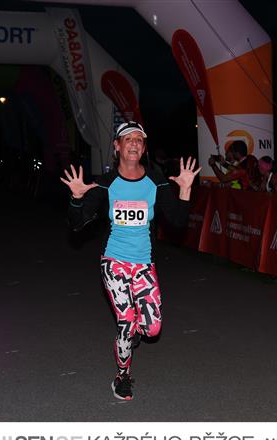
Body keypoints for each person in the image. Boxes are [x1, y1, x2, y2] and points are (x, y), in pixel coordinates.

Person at [61, 121, 199, 401]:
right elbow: (77, 224)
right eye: (128, 139)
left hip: (144, 264)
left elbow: (177, 221)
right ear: (117, 146)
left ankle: (132, 332)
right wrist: (76, 198)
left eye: (139, 139)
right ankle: (122, 376)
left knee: (152, 329)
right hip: (114, 261)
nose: (134, 143)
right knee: (126, 321)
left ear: (143, 148)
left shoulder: (156, 181)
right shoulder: (105, 183)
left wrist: (185, 190)